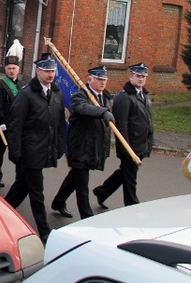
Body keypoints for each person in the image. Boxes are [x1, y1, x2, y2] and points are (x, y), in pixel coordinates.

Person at [4, 53, 67, 243]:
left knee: (21, 188)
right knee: (37, 192)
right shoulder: (26, 94)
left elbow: (59, 123)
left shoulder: (55, 93)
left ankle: (1, 214)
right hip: (30, 150)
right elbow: (16, 124)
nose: (50, 74)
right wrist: (15, 151)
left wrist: (60, 145)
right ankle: (44, 231)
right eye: (46, 71)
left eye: (52, 71)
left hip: (44, 148)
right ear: (38, 71)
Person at [51, 65, 114, 219]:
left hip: (93, 147)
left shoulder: (106, 97)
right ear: (89, 79)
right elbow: (83, 108)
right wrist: (103, 112)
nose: (102, 82)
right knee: (82, 185)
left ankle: (58, 201)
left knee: (75, 178)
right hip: (80, 146)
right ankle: (87, 217)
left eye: (104, 79)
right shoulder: (80, 96)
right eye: (99, 79)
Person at [93, 62, 153, 207]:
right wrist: (125, 149)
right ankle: (132, 205)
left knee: (125, 173)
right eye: (138, 76)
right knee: (130, 177)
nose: (141, 79)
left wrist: (149, 143)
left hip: (141, 144)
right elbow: (121, 125)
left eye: (143, 76)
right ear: (131, 76)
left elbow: (148, 121)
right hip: (129, 146)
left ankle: (102, 191)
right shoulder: (124, 97)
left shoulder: (144, 95)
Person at [0, 40, 25, 187]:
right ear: (5, 69)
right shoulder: (0, 84)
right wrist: (1, 122)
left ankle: (19, 178)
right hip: (4, 123)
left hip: (18, 125)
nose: (11, 70)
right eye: (9, 68)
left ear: (18, 69)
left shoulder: (23, 86)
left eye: (14, 68)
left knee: (18, 152)